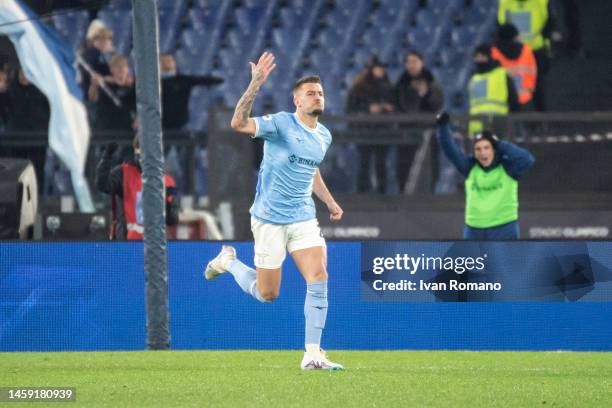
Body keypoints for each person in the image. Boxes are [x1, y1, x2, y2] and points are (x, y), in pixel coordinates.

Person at [203, 52, 344, 370]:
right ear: (297, 101)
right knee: (268, 294)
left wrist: (329, 202)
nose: (317, 96)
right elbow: (237, 123)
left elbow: (312, 172)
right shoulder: (280, 123)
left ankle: (312, 354)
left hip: (303, 217)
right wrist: (254, 84)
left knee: (319, 275)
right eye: (310, 93)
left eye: (320, 92)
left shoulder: (324, 136)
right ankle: (228, 262)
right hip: (268, 219)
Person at [436, 112, 535, 240]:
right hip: (473, 229)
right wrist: (442, 127)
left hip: (504, 227)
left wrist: (499, 144)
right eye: (478, 149)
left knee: (504, 261)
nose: (483, 153)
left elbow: (527, 159)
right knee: (473, 261)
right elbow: (450, 149)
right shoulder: (469, 167)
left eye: (487, 148)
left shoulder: (507, 167)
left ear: (494, 150)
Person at [95, 135, 179, 240]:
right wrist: (106, 158)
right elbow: (102, 185)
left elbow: (173, 220)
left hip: (155, 247)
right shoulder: (123, 173)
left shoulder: (167, 181)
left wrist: (170, 204)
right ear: (135, 152)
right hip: (126, 244)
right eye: (140, 155)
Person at [393, 51, 444, 193]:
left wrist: (424, 93)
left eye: (415, 61)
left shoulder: (432, 83)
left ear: (421, 63)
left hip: (428, 133)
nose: (411, 65)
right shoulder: (400, 84)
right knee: (404, 167)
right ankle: (403, 195)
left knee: (430, 167)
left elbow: (437, 104)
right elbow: (398, 106)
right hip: (406, 133)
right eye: (408, 62)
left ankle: (430, 194)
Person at [346, 56, 394, 193]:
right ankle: (362, 194)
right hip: (364, 130)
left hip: (383, 130)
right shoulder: (358, 88)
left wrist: (388, 108)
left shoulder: (388, 87)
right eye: (377, 67)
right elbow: (351, 109)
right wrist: (368, 109)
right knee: (364, 164)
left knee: (381, 164)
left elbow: (395, 104)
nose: (380, 70)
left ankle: (382, 194)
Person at [497, 0, 552, 111]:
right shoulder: (505, 2)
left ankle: (539, 119)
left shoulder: (541, 2)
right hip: (517, 50)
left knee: (536, 86)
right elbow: (501, 27)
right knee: (517, 88)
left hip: (534, 50)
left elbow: (549, 24)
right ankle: (526, 121)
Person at [159, 53, 223, 130]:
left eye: (169, 60)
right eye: (163, 61)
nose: (166, 63)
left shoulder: (183, 80)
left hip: (180, 123)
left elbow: (204, 80)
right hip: (160, 123)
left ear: (174, 62)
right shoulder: (155, 83)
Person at [468, 44, 520, 137]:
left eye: (480, 56)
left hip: (498, 123)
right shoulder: (473, 77)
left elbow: (513, 98)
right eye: (476, 56)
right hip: (478, 123)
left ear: (487, 56)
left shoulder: (501, 74)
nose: (477, 59)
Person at [492, 23, 537, 109]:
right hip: (525, 98)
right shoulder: (526, 50)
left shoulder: (493, 52)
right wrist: (530, 89)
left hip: (503, 100)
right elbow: (532, 71)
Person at [89, 55, 136, 132]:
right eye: (117, 67)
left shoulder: (134, 86)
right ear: (111, 69)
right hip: (105, 128)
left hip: (126, 129)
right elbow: (92, 98)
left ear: (128, 69)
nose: (120, 69)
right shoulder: (103, 84)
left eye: (123, 66)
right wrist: (94, 85)